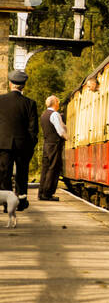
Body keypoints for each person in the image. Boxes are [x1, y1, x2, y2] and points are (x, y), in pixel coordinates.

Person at [0, 69, 38, 210]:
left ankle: (6, 203)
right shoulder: (30, 104)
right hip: (23, 145)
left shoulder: (0, 101)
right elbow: (33, 129)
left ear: (10, 84)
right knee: (22, 173)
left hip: (3, 144)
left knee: (4, 174)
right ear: (23, 86)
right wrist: (31, 145)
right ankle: (21, 201)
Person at [38, 95, 67, 201]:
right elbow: (60, 131)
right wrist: (67, 137)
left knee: (45, 168)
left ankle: (41, 192)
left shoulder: (44, 114)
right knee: (53, 168)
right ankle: (48, 194)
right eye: (58, 102)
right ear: (54, 103)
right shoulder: (55, 114)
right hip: (54, 144)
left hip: (47, 144)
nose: (59, 103)